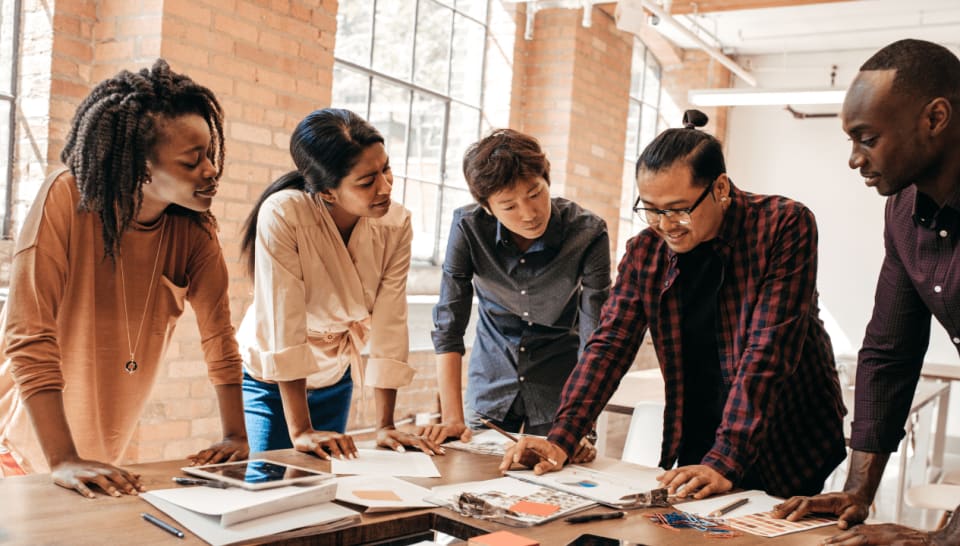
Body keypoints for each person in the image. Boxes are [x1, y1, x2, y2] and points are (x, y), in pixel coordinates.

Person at [500, 110, 847, 500]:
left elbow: (768, 351)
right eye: (651, 209)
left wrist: (727, 458)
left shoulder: (783, 225)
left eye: (679, 209)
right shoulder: (646, 252)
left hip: (787, 432)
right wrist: (562, 437)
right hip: (703, 433)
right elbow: (609, 345)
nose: (665, 225)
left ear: (719, 188)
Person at [0, 59, 248, 497]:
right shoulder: (66, 198)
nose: (211, 170)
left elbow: (220, 336)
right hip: (21, 446)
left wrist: (235, 435)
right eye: (193, 162)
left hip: (99, 450)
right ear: (140, 166)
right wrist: (62, 460)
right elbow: (28, 336)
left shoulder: (194, 231)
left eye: (210, 154)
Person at [772, 39, 960, 546]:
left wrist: (944, 537)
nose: (855, 158)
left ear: (935, 118)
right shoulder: (902, 210)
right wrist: (857, 490)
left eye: (868, 137)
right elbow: (888, 352)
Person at [238, 108, 442, 460]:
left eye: (386, 169)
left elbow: (390, 320)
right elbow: (283, 324)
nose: (385, 187)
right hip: (272, 381)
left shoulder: (396, 224)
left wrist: (385, 426)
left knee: (325, 484)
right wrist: (300, 430)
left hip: (335, 374)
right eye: (367, 181)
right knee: (270, 481)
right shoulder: (285, 214)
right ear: (328, 192)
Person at [421, 129, 610, 456]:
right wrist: (452, 418)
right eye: (508, 205)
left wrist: (580, 424)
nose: (529, 213)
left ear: (547, 179)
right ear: (487, 207)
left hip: (561, 383)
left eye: (535, 193)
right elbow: (449, 325)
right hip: (493, 374)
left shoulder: (588, 232)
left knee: (556, 482)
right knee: (474, 477)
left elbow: (596, 336)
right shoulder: (468, 227)